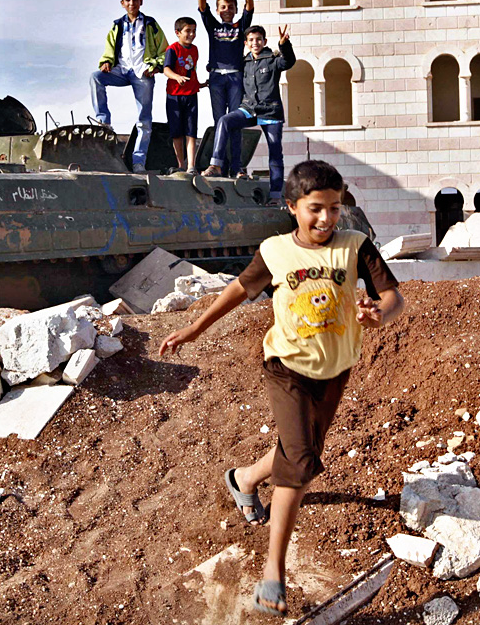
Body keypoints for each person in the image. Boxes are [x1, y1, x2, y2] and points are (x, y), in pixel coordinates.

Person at [158, 160, 405, 617]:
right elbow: (238, 289)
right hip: (286, 368)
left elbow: (393, 295)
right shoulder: (274, 251)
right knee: (302, 462)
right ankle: (275, 569)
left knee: (300, 447)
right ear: (292, 207)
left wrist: (378, 314)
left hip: (336, 371)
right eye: (315, 209)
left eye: (334, 208)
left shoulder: (355, 246)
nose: (327, 219)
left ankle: (244, 478)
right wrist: (195, 328)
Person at [201, 25, 293, 203]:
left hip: (270, 112)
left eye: (258, 39)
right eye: (251, 40)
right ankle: (216, 164)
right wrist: (212, 68)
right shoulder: (244, 62)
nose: (255, 43)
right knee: (224, 121)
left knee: (275, 152)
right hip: (249, 109)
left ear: (264, 41)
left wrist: (284, 45)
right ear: (246, 43)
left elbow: (288, 61)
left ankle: (275, 195)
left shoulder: (273, 60)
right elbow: (226, 64)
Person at [90, 0, 167, 172]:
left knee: (144, 119)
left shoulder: (151, 24)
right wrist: (106, 61)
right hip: (121, 70)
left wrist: (155, 66)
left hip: (142, 72)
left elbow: (165, 50)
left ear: (141, 1)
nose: (132, 3)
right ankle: (104, 121)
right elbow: (109, 48)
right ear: (122, 3)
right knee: (96, 77)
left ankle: (138, 161)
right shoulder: (117, 25)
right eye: (128, 0)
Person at [197, 0, 254, 167]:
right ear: (218, 10)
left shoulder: (240, 27)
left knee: (235, 121)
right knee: (219, 120)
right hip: (216, 78)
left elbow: (250, 7)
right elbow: (202, 7)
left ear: (235, 9)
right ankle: (217, 163)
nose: (227, 10)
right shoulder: (213, 27)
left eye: (230, 6)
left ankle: (237, 166)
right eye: (222, 7)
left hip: (235, 77)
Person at [162, 16, 203, 174]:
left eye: (194, 31)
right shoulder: (172, 49)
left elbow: (192, 71)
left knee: (191, 132)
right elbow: (166, 69)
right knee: (177, 132)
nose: (191, 34)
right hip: (174, 95)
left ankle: (191, 165)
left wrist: (199, 84)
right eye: (187, 31)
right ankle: (181, 164)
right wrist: (176, 77)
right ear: (178, 32)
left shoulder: (195, 50)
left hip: (191, 94)